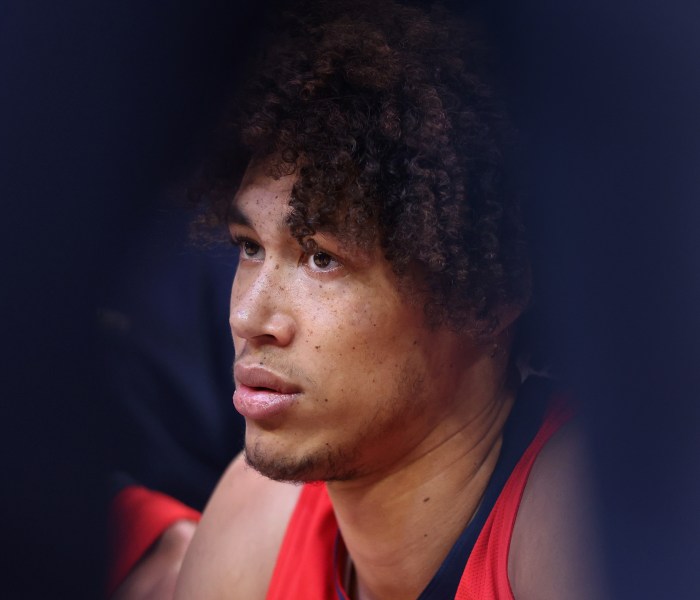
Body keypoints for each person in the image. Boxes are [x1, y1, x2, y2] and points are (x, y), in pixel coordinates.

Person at [174, 1, 606, 598]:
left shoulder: (579, 521)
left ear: (488, 298)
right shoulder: (256, 517)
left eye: (322, 258)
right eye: (249, 247)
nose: (248, 318)